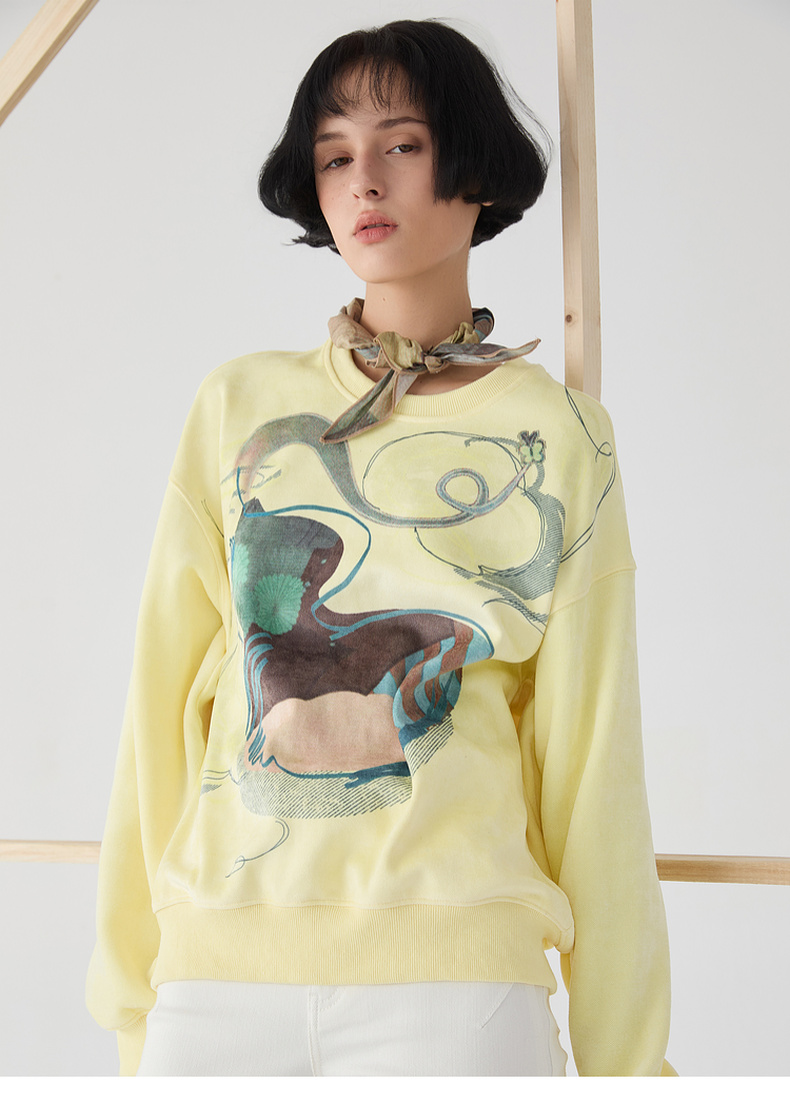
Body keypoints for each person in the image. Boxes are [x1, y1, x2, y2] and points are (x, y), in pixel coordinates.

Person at [86, 18, 673, 1077]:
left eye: (401, 144)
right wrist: (132, 995)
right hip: (215, 982)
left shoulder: (559, 434)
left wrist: (627, 1067)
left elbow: (593, 758)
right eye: (334, 155)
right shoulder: (238, 408)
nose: (364, 180)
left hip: (458, 990)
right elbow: (160, 708)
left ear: (472, 165)